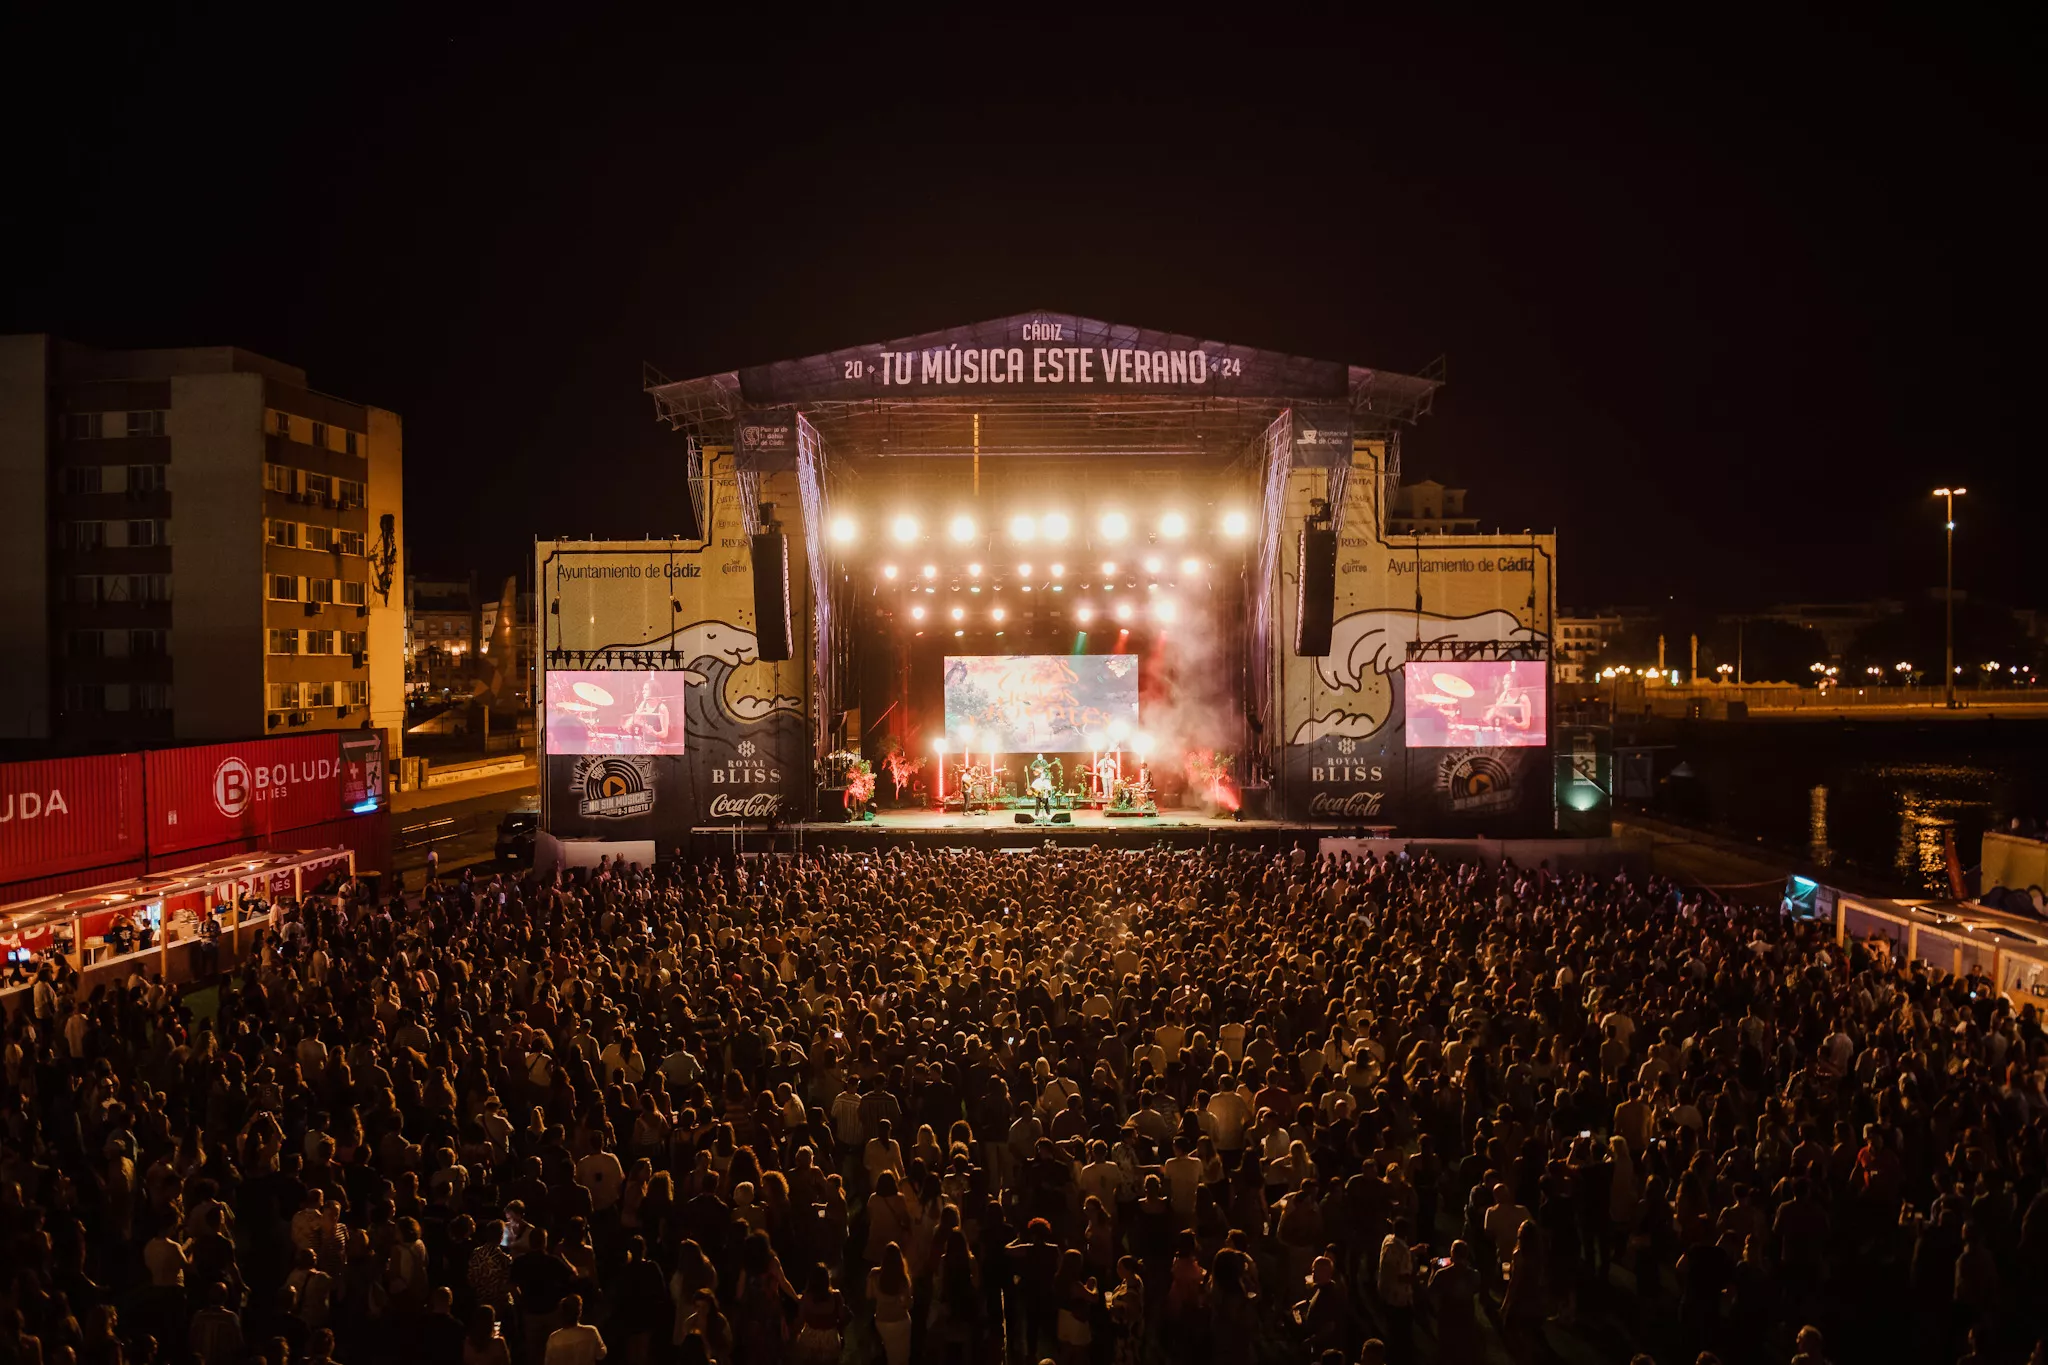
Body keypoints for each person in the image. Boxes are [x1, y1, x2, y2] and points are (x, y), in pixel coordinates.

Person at [544, 1293, 608, 1365]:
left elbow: (548, 1362)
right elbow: (601, 1354)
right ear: (579, 1312)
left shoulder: (554, 1338)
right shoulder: (591, 1332)